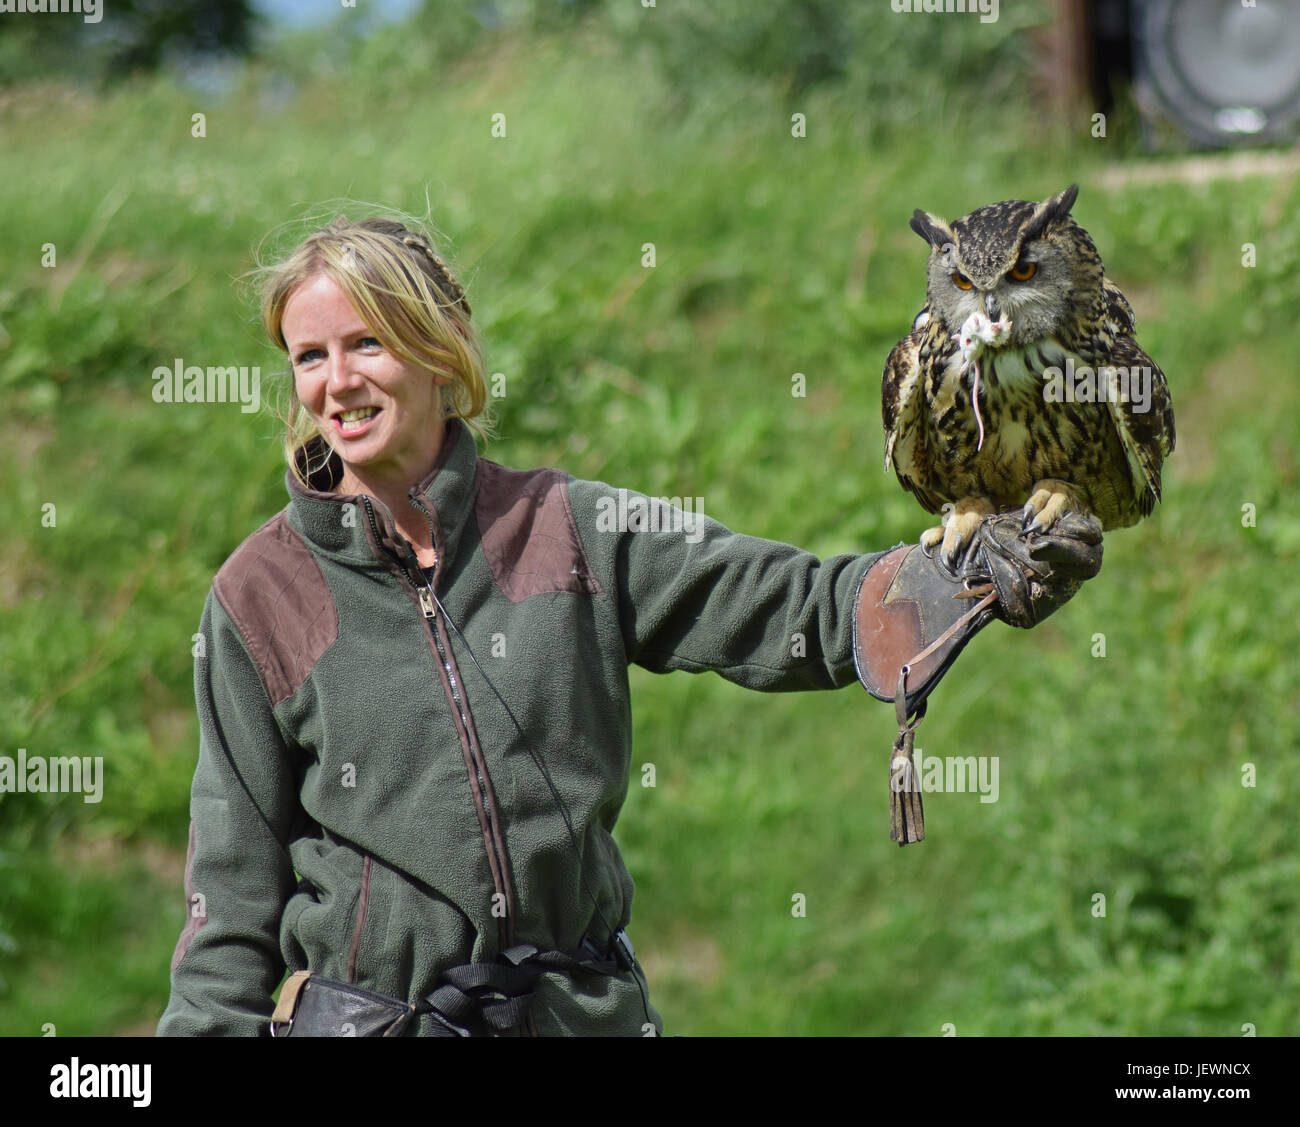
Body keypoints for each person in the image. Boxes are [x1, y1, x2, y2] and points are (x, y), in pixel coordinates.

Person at [156, 213, 1102, 1037]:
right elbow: (230, 902)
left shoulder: (571, 527)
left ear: (440, 349)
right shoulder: (260, 596)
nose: (335, 383)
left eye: (365, 344)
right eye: (308, 357)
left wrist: (950, 579)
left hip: (580, 1018)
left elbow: (784, 602)